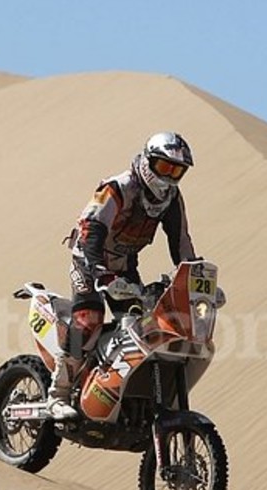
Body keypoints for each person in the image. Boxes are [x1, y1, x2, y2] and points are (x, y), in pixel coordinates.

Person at [48, 131, 199, 420]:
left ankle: (117, 392)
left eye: (176, 171)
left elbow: (180, 241)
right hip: (88, 261)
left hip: (123, 265)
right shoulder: (119, 188)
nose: (168, 177)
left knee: (143, 326)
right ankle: (58, 393)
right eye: (164, 167)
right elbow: (92, 228)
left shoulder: (171, 199)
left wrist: (193, 276)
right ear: (148, 161)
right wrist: (98, 271)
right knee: (88, 320)